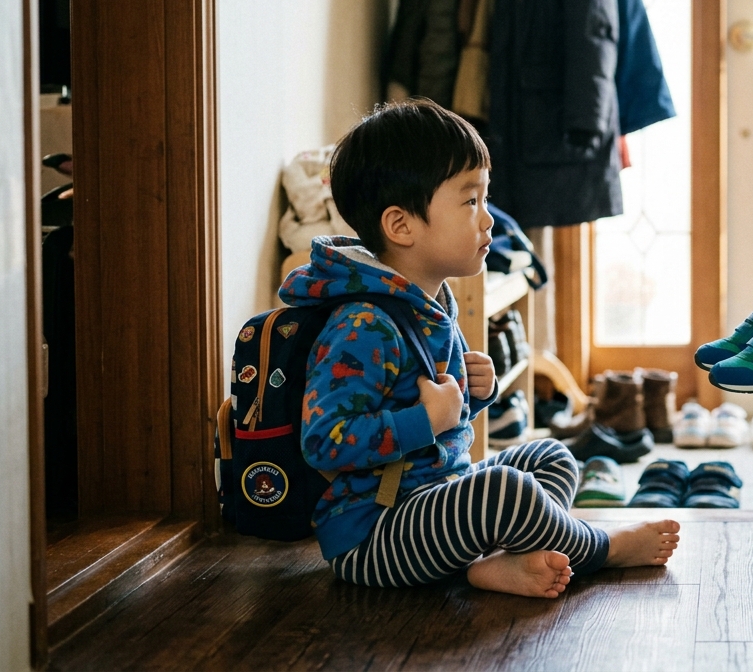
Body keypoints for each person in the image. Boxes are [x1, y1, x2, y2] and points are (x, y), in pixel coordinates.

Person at [279, 99, 679, 596]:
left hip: (435, 499)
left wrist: (472, 392)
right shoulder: (363, 325)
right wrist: (425, 421)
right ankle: (600, 549)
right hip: (374, 535)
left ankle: (492, 563)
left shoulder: (428, 300)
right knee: (504, 492)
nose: (489, 220)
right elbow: (324, 441)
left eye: (484, 199)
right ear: (400, 226)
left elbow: (437, 404)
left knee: (549, 456)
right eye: (470, 202)